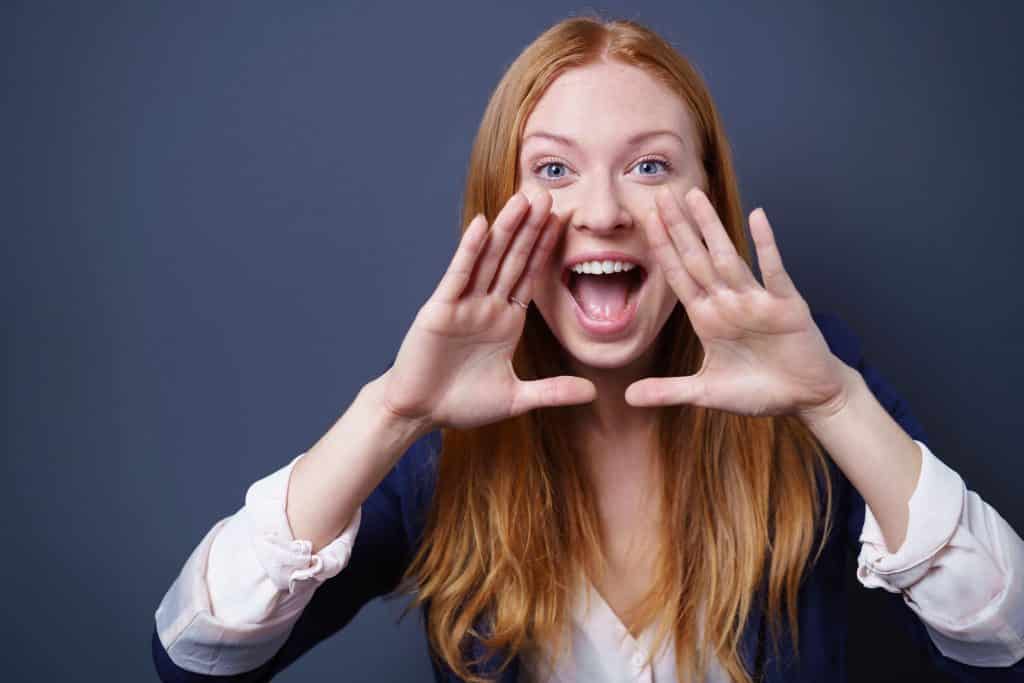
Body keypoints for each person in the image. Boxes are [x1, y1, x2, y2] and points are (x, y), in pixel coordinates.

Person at [151, 15, 1024, 683]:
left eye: (649, 167)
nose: (601, 211)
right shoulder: (434, 443)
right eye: (555, 170)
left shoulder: (811, 382)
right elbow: (197, 657)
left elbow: (1008, 648)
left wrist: (836, 405)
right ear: (501, 204)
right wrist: (391, 411)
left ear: (707, 201)